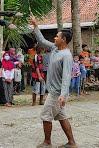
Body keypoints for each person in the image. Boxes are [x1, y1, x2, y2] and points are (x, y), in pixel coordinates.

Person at [31, 17, 77, 148]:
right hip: (54, 91)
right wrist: (35, 26)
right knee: (62, 116)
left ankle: (47, 142)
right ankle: (72, 142)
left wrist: (63, 95)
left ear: (63, 40)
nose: (54, 38)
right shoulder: (54, 49)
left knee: (46, 115)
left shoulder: (66, 56)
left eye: (57, 37)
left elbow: (67, 76)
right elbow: (41, 40)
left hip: (57, 94)